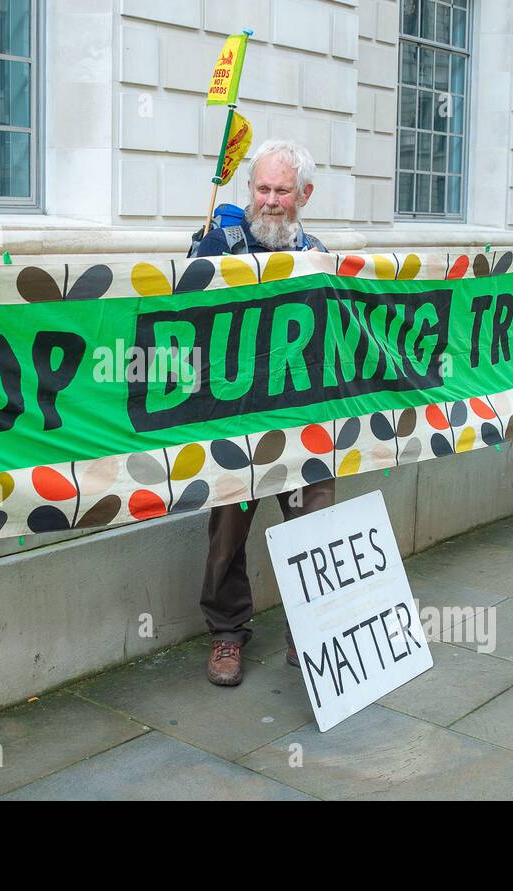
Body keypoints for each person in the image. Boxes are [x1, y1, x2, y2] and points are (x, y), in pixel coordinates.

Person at [189, 140, 335, 686]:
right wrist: (199, 255)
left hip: (300, 420)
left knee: (317, 520)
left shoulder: (319, 252)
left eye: (282, 191)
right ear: (250, 190)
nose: (271, 201)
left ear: (305, 194)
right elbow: (183, 305)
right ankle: (227, 634)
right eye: (263, 189)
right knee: (228, 526)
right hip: (239, 417)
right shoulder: (222, 240)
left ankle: (314, 626)